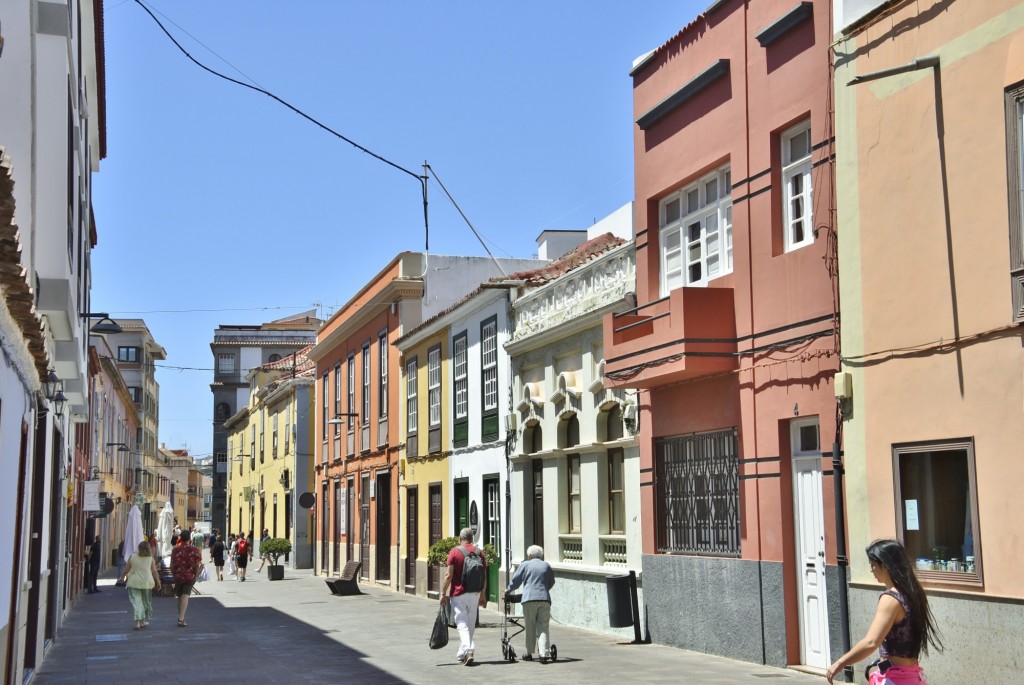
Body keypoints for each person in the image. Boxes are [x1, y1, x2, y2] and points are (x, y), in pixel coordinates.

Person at [826, 539, 943, 684]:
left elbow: (871, 642)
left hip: (895, 679)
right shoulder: (913, 593)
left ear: (886, 566)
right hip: (912, 677)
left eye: (873, 565)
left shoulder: (890, 598)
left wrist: (840, 663)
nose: (871, 570)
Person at [440, 528, 487, 666]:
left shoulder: (455, 552)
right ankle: (463, 653)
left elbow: (448, 575)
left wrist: (443, 593)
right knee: (470, 624)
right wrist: (483, 594)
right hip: (475, 592)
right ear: (472, 539)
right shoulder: (480, 552)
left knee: (461, 623)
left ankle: (469, 649)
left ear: (460, 539)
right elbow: (484, 576)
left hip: (459, 593)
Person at [507, 545, 556, 663]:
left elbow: (516, 581)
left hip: (529, 599)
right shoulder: (546, 565)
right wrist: (543, 589)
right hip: (544, 599)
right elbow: (551, 582)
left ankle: (529, 653)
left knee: (530, 626)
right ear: (541, 555)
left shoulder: (525, 565)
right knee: (543, 627)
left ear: (529, 555)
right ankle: (543, 654)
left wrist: (508, 589)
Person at [122, 540, 161, 630]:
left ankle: (138, 623)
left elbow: (126, 570)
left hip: (134, 582)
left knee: (137, 603)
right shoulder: (151, 559)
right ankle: (142, 622)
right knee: (145, 602)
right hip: (146, 583)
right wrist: (158, 582)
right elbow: (154, 572)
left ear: (139, 548)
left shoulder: (132, 557)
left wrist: (122, 577)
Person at [170, 528, 203, 627]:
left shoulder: (175, 550)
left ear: (181, 538)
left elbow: (171, 565)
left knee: (179, 596)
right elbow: (197, 564)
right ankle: (181, 618)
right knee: (185, 596)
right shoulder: (194, 550)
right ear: (189, 539)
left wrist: (174, 574)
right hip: (190, 575)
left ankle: (180, 616)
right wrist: (196, 576)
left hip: (178, 575)